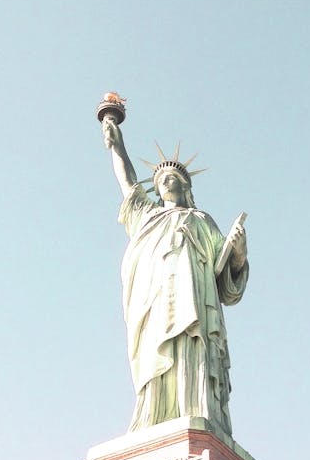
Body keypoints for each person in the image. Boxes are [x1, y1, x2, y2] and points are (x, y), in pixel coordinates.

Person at [102, 116, 248, 436]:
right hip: (153, 299)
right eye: (162, 179)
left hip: (194, 301)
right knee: (156, 351)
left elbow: (226, 280)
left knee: (191, 345)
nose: (167, 182)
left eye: (173, 178)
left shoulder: (201, 220)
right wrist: (117, 146)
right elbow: (128, 183)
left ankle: (195, 407)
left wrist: (237, 252)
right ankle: (154, 412)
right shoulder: (147, 216)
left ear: (186, 186)